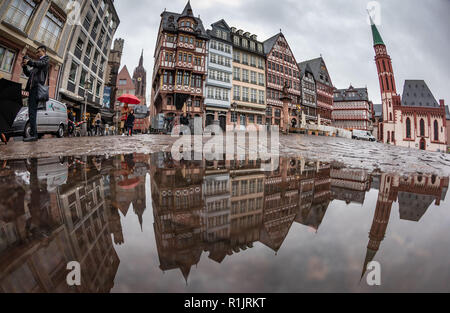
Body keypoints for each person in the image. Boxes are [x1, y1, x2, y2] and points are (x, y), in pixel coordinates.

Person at [22, 45, 49, 142]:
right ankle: (34, 134)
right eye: (36, 52)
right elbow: (28, 74)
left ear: (43, 51)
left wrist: (29, 62)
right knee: (31, 112)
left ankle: (34, 135)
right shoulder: (37, 65)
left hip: (37, 89)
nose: (37, 54)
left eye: (38, 52)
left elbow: (40, 64)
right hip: (32, 89)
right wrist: (24, 67)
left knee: (32, 112)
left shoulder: (46, 60)